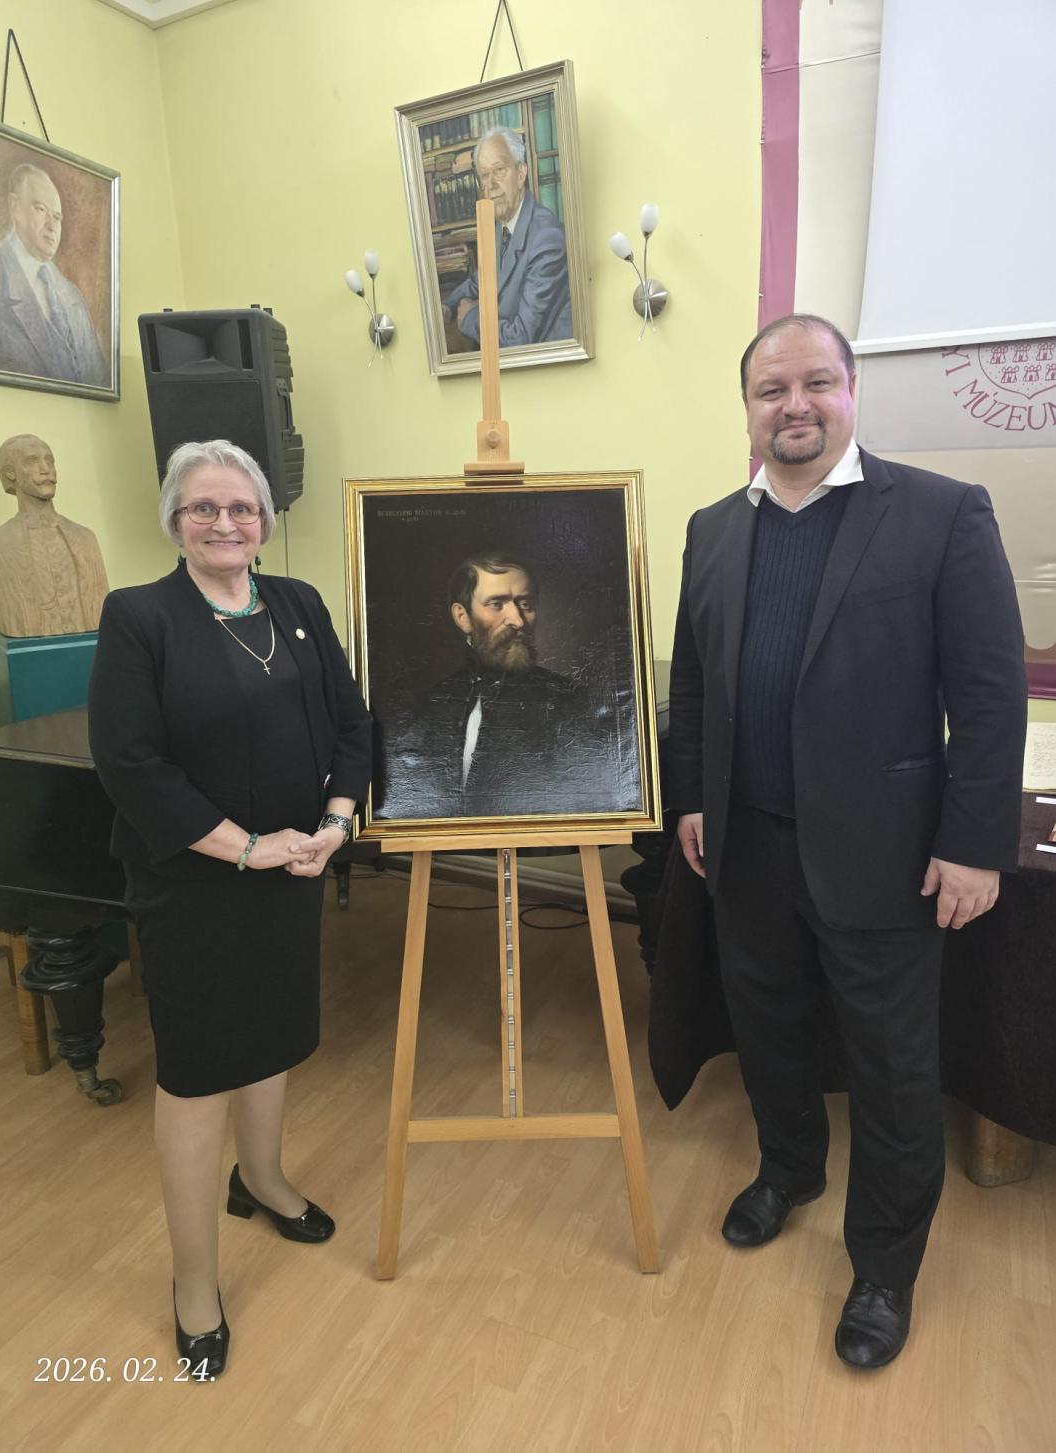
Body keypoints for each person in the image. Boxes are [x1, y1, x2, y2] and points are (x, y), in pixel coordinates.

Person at [668, 314, 1027, 1370]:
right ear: (747, 408)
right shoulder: (711, 529)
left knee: (891, 1067)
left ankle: (883, 1265)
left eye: (816, 382)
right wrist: (690, 797)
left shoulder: (941, 512)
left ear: (850, 391)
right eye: (771, 388)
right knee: (769, 1030)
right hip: (747, 846)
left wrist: (975, 844)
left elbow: (989, 693)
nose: (795, 405)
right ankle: (789, 1169)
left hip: (886, 853)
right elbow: (694, 682)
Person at [88, 439, 371, 1379]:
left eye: (242, 507)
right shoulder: (141, 617)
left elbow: (352, 723)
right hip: (195, 882)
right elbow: (129, 765)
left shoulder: (298, 604)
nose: (225, 522)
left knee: (273, 1040)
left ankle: (265, 1180)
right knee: (199, 1073)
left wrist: (335, 822)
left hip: (293, 867)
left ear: (265, 520)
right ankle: (195, 1281)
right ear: (175, 519)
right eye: (204, 507)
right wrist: (247, 847)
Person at [382, 550, 589, 819]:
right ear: (463, 617)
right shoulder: (430, 707)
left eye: (525, 604)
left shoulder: (569, 702)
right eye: (497, 604)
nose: (517, 620)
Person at [442, 127, 573, 349]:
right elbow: (482, 279)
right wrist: (448, 304)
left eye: (499, 170)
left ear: (521, 174)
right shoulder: (500, 224)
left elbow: (522, 337)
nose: (491, 185)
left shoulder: (547, 239)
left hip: (544, 364)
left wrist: (471, 317)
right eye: (484, 175)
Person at [0, 163, 109, 387]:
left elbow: (99, 381)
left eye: (57, 217)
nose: (52, 226)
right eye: (41, 209)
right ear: (15, 207)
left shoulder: (72, 295)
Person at [0, 433, 109, 637]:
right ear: (10, 473)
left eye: (49, 460)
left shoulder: (85, 538)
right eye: (32, 461)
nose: (45, 468)